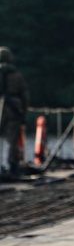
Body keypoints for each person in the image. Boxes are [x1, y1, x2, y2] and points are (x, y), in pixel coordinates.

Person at [0, 46, 29, 177]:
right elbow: (24, 95)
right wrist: (23, 111)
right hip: (13, 109)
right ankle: (13, 167)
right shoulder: (17, 75)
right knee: (12, 141)